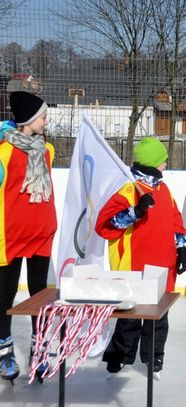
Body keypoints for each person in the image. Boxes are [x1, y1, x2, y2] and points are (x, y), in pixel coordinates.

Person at [95, 137, 186, 378]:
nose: (166, 164)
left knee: (159, 316)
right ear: (153, 162)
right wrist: (135, 211)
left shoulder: (163, 189)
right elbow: (105, 225)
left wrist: (182, 248)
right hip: (134, 266)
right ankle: (119, 356)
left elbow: (176, 220)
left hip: (163, 264)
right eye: (163, 160)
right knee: (130, 315)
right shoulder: (128, 189)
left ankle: (154, 356)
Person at [0, 91, 56, 383]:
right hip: (9, 236)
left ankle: (40, 348)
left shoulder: (47, 150)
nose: (47, 121)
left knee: (40, 296)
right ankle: (3, 350)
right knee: (5, 295)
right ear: (29, 120)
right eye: (43, 117)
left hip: (41, 235)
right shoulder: (4, 152)